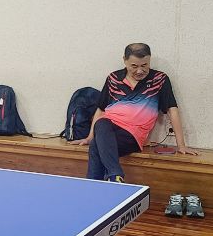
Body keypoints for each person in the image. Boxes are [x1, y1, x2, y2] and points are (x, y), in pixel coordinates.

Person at [72, 43, 197, 182]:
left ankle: (102, 182)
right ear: (124, 60)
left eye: (144, 65)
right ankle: (114, 177)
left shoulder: (159, 79)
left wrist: (181, 145)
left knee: (96, 145)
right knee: (101, 126)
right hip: (106, 128)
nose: (139, 71)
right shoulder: (113, 78)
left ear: (149, 60)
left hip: (133, 135)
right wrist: (89, 137)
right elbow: (101, 109)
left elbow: (172, 109)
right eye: (134, 66)